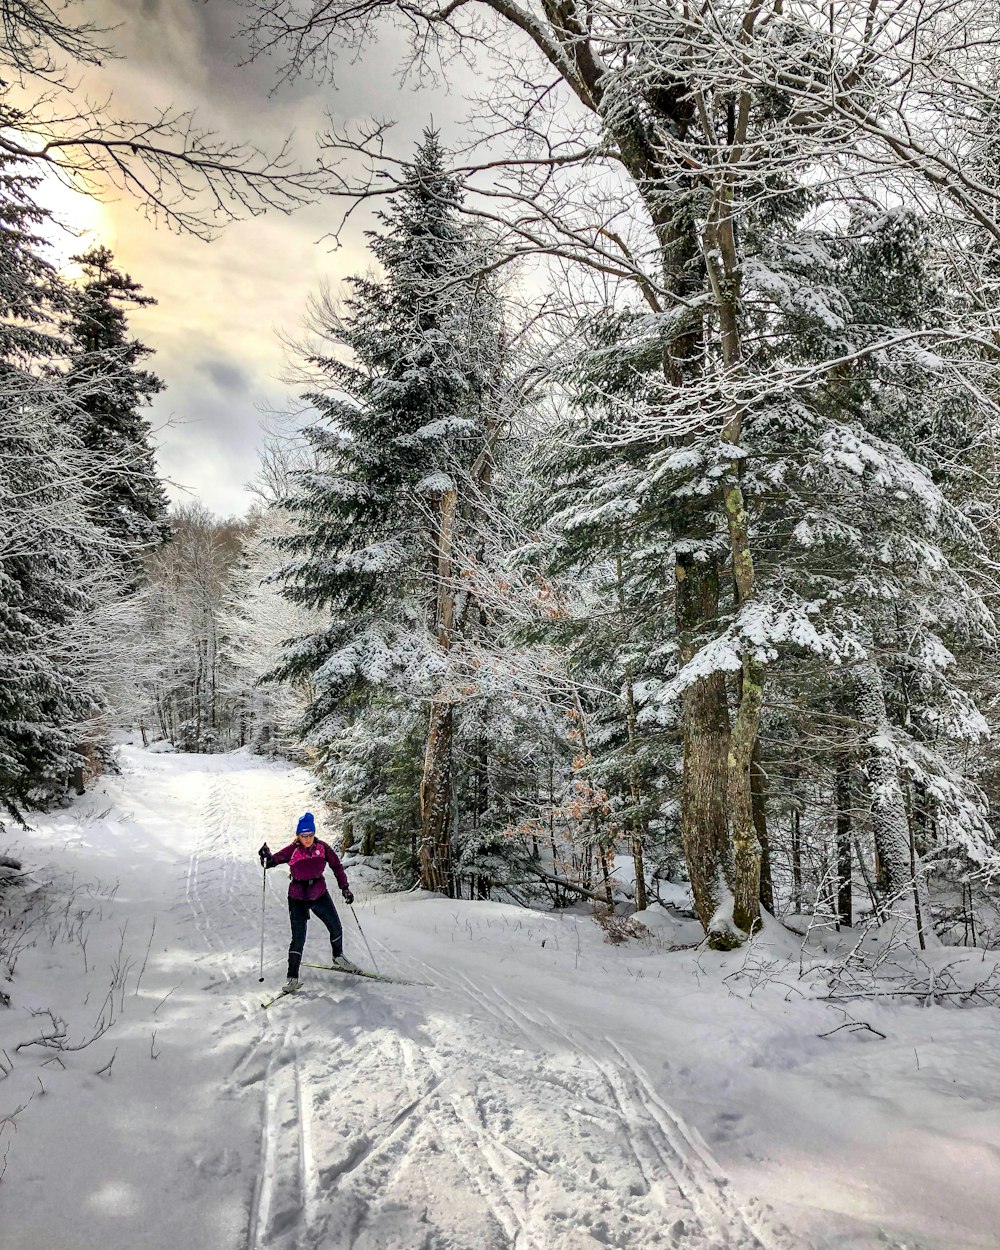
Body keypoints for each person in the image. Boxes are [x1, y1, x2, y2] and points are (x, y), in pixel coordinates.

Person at [258, 812, 358, 992]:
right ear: (298, 835)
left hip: (319, 894)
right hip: (297, 898)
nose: (307, 839)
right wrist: (265, 856)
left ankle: (338, 957)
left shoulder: (322, 848)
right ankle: (292, 978)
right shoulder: (293, 850)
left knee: (336, 926)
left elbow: (336, 866)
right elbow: (272, 862)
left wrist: (345, 888)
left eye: (310, 835)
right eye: (304, 835)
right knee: (298, 938)